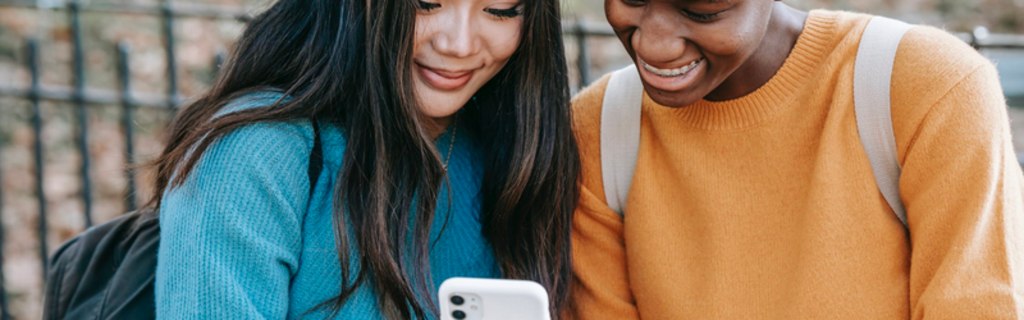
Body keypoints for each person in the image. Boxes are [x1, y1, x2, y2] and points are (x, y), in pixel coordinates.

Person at [570, 0, 1024, 318]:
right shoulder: (597, 130)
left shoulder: (930, 87)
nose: (655, 45)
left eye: (702, 10)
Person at [149, 0, 579, 318]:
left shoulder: (512, 152)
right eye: (426, 4)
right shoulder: (253, 152)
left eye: (501, 10)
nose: (458, 43)